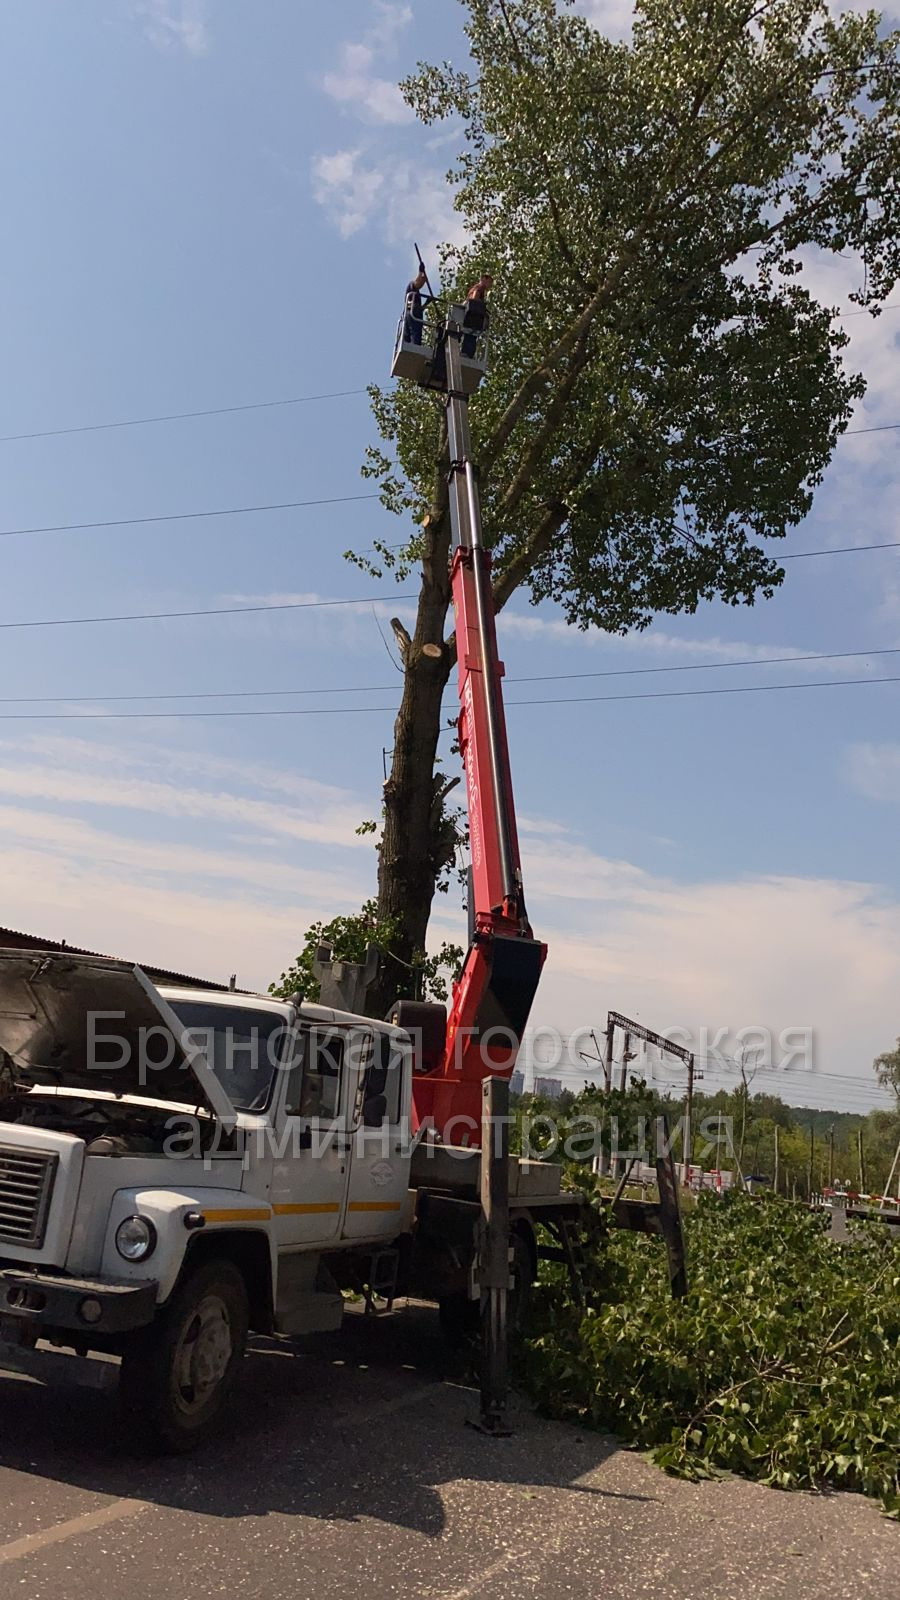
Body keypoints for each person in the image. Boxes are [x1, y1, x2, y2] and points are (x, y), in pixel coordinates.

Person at [462, 272, 493, 357]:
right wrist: (482, 306)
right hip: (473, 313)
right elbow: (475, 297)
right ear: (484, 279)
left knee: (468, 333)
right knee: (472, 333)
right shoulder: (480, 287)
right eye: (489, 282)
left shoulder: (474, 287)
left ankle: (465, 352)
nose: (489, 285)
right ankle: (467, 353)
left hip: (468, 312)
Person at [404, 268, 428, 345]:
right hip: (411, 314)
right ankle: (413, 346)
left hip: (414, 314)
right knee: (415, 334)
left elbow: (423, 280)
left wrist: (427, 303)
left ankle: (411, 346)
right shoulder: (411, 287)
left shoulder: (416, 295)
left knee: (415, 335)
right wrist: (420, 271)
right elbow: (418, 282)